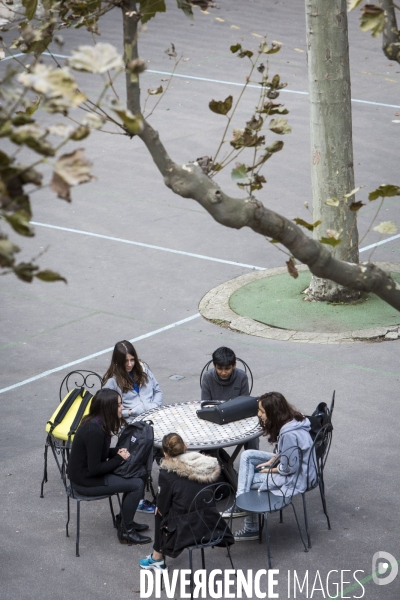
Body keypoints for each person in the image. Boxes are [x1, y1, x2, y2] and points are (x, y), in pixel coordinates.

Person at [225, 391, 316, 542]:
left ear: (273, 413)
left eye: (261, 411)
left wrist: (270, 470)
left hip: (297, 478)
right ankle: (241, 503)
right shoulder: (293, 419)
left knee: (250, 480)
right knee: (247, 456)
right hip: (301, 468)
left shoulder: (288, 435)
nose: (258, 414)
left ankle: (251, 527)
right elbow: (290, 453)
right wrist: (274, 458)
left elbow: (289, 469)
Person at [67, 388, 152, 545]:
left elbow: (98, 452)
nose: (122, 408)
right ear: (108, 408)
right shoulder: (94, 431)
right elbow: (95, 469)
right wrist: (119, 458)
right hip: (85, 482)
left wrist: (115, 452)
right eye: (119, 405)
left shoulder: (97, 423)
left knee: (138, 474)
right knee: (136, 484)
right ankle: (126, 531)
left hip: (89, 475)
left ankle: (124, 521)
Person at [139, 433, 234, 571]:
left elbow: (164, 507)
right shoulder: (205, 465)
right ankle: (156, 557)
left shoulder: (167, 474)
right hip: (211, 522)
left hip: (186, 529)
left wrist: (160, 506)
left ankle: (157, 558)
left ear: (165, 454)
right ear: (185, 447)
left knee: (158, 511)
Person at [102, 340, 163, 513]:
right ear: (118, 362)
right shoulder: (112, 382)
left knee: (168, 449)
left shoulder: (143, 369)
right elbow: (110, 411)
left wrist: (153, 407)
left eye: (132, 360)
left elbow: (158, 391)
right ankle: (139, 499)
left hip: (154, 419)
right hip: (132, 428)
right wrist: (132, 411)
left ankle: (171, 489)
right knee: (144, 454)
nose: (129, 364)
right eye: (125, 361)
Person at [201, 346, 259, 451]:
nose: (223, 372)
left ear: (234, 365)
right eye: (220, 368)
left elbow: (245, 403)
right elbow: (205, 404)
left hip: (237, 416)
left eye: (227, 368)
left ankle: (253, 461)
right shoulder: (207, 377)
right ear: (214, 366)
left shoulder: (241, 376)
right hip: (216, 416)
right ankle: (218, 461)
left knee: (253, 436)